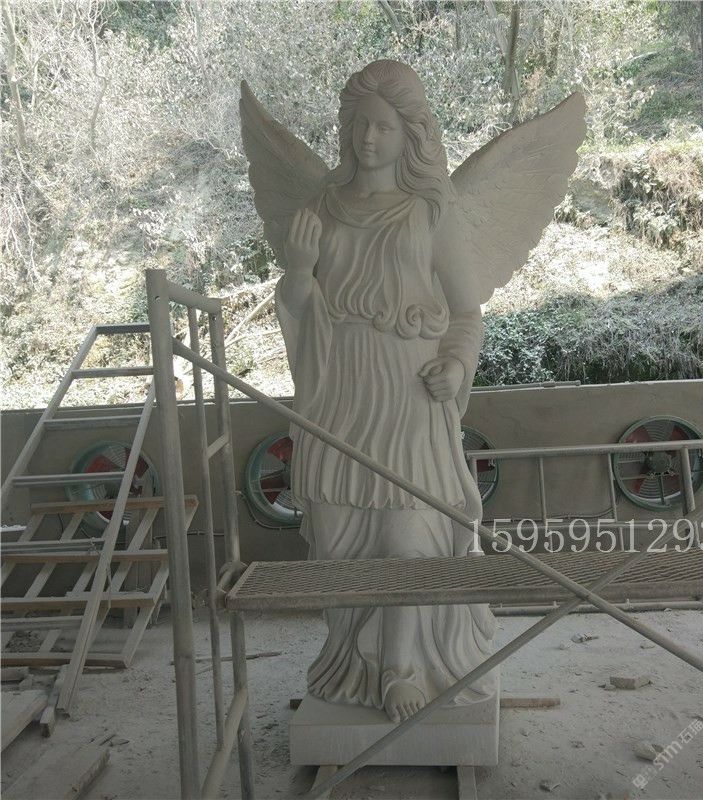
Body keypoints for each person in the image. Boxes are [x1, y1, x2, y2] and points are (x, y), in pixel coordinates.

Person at [275, 60, 496, 723]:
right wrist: (299, 270)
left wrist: (456, 365)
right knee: (338, 540)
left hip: (409, 394)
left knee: (410, 537)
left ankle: (403, 669)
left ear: (409, 135)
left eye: (382, 127)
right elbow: (298, 305)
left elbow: (467, 312)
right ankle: (355, 661)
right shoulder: (321, 207)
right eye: (357, 125)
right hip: (339, 392)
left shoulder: (430, 211)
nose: (367, 138)